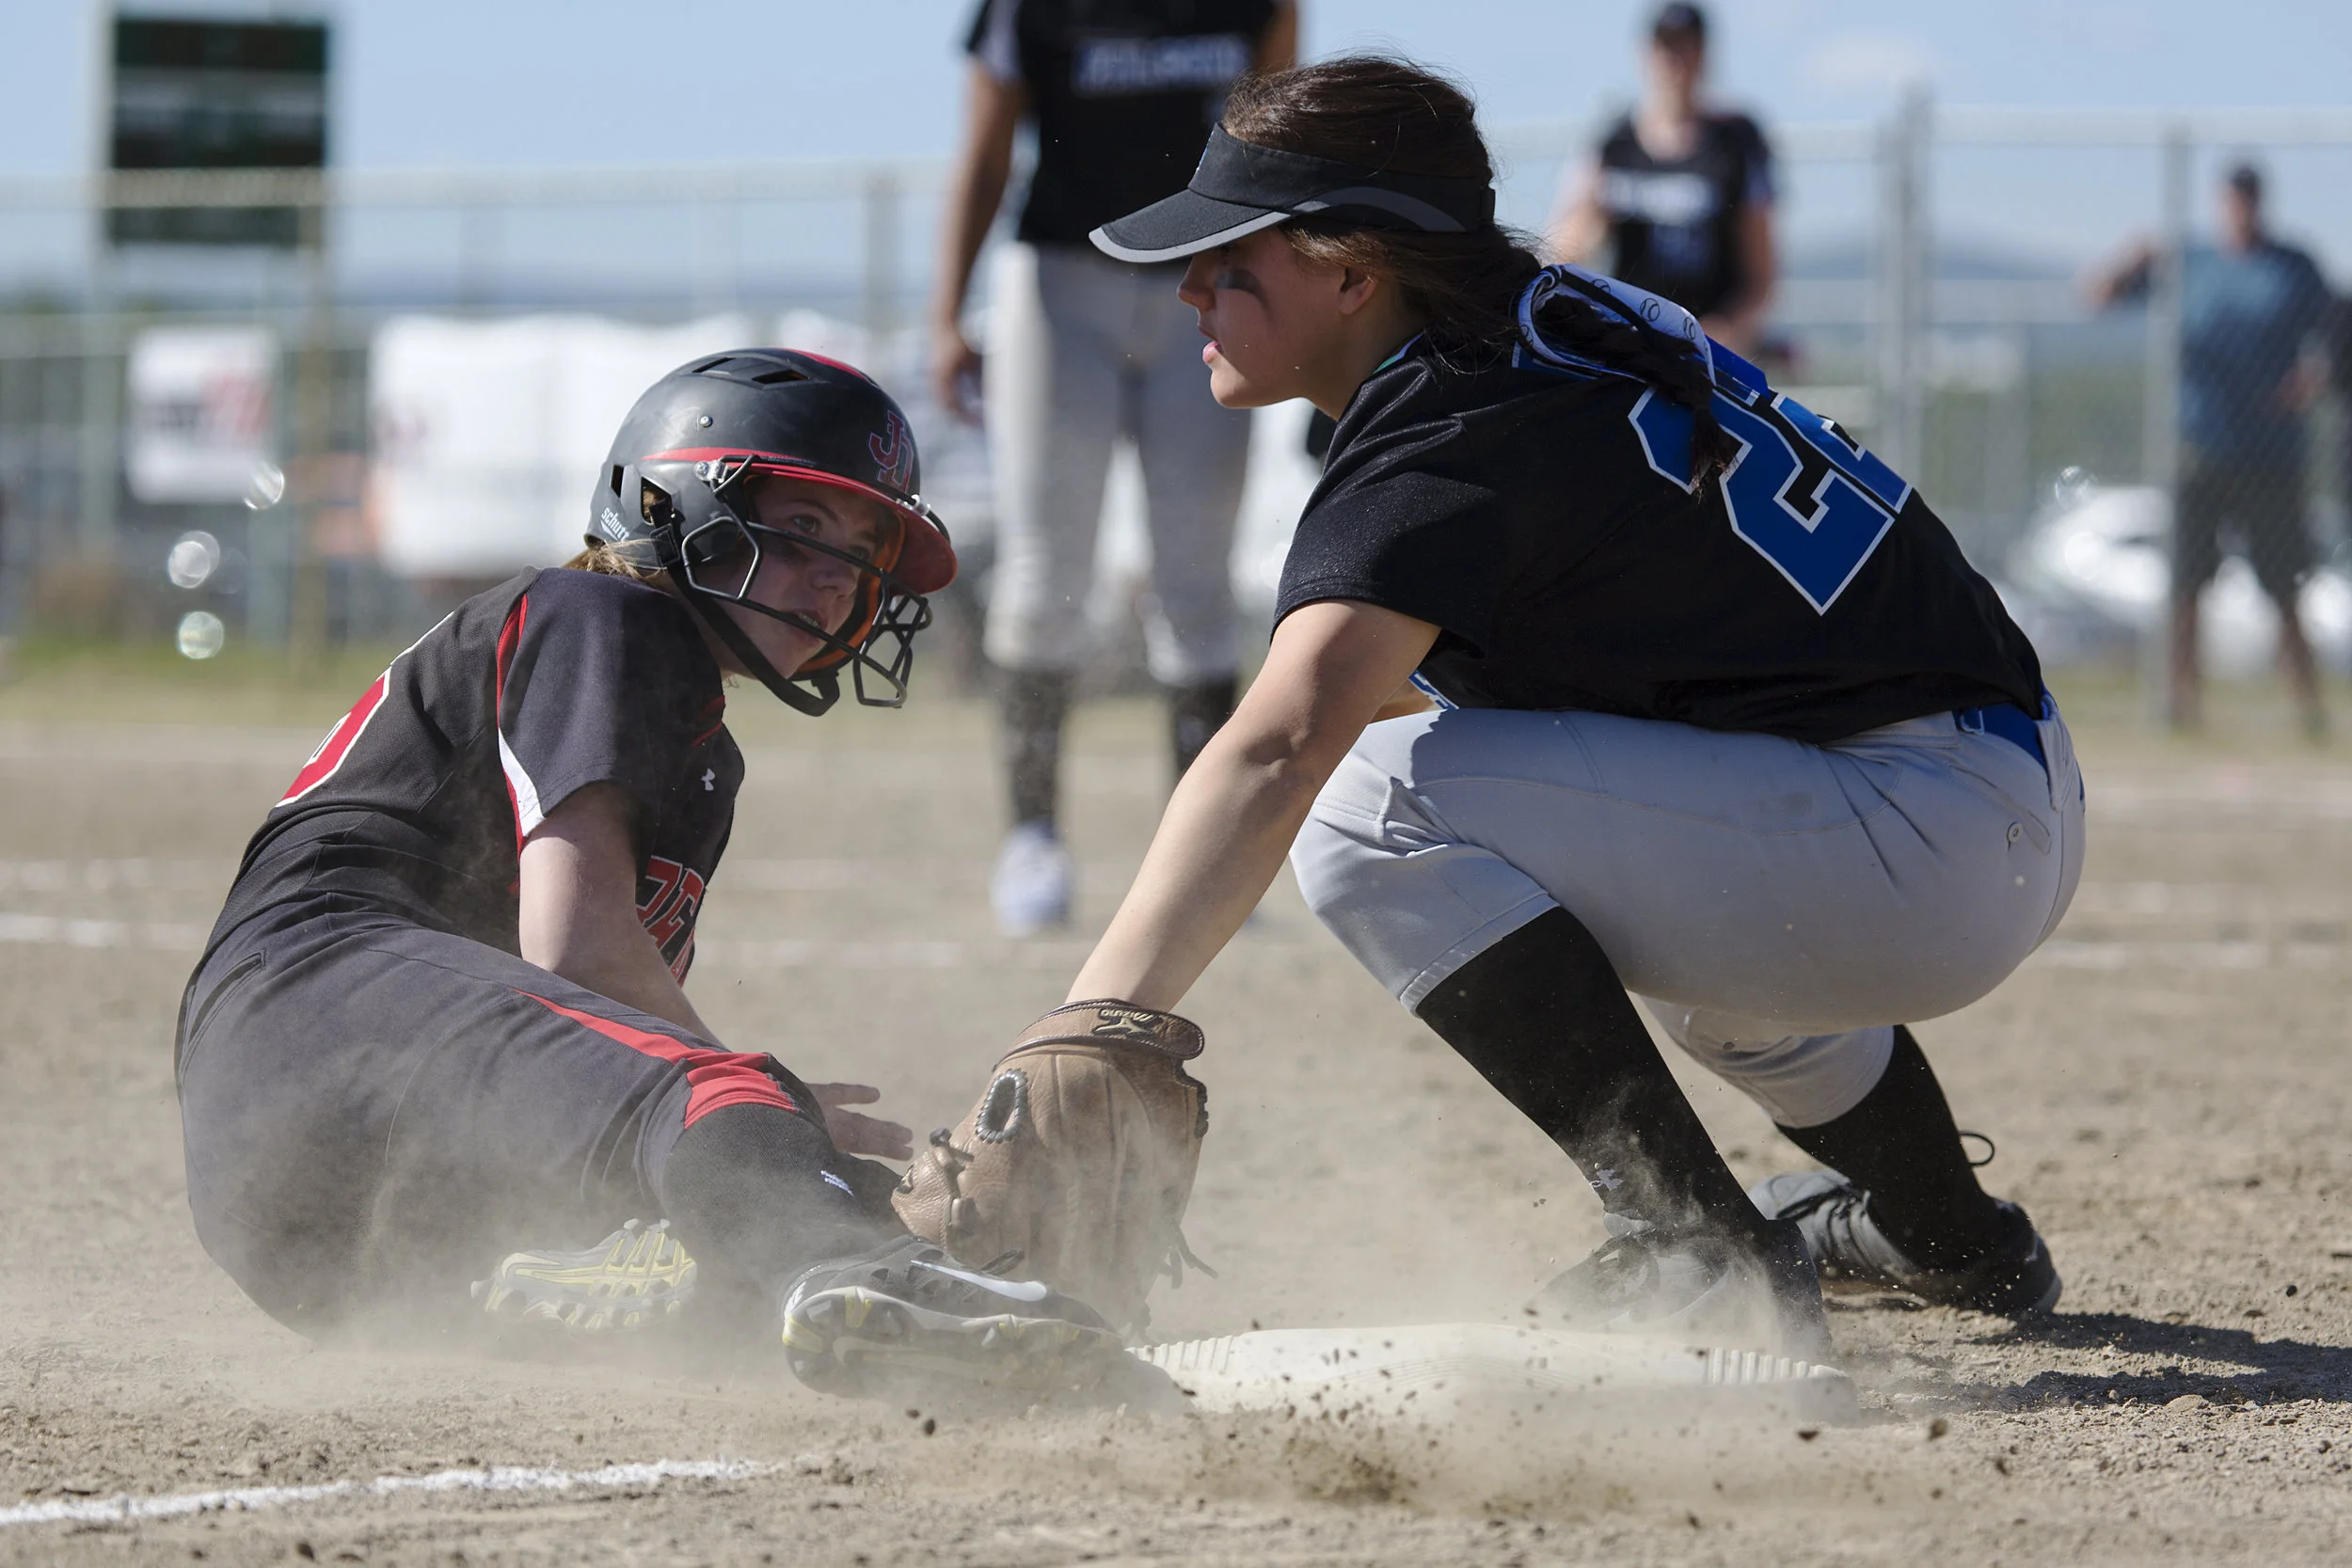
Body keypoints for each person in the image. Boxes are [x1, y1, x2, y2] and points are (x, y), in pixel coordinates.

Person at [1048, 55, 2081, 1353]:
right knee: (1686, 922)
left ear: (1355, 272)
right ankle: (1955, 1234)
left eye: (1233, 258)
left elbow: (1285, 747)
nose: (1191, 287)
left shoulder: (1453, 424)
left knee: (1371, 811)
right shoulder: (1553, 318)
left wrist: (1098, 1019)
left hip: (1912, 825)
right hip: (1979, 781)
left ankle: (1697, 1246)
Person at [173, 350, 1120, 1400]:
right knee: (732, 1113)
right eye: (804, 528)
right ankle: (875, 1277)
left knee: (749, 1238)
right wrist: (762, 1110)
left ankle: (842, 1290)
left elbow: (571, 1023)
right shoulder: (605, 616)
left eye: (860, 552)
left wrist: (800, 1164)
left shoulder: (705, 751)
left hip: (344, 1227)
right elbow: (576, 949)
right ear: (675, 504)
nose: (839, 575)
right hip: (320, 1008)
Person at [931, 0, 1298, 936]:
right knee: (1048, 566)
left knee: (1197, 570)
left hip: (1204, 283)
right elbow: (986, 147)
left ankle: (1207, 849)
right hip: (1062, 282)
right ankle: (1034, 838)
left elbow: (1282, 146)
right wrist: (947, 314)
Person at [2091, 163, 2333, 736]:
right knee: (2186, 584)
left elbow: (2336, 333)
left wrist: (2313, 378)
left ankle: (2307, 706)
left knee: (2284, 584)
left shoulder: (2293, 267)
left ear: (2261, 202)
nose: (2241, 209)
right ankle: (2180, 702)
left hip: (2271, 454)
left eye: (2250, 199)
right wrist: (2131, 259)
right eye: (2233, 199)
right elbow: (2100, 296)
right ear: (2220, 202)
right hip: (2200, 449)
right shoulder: (2193, 262)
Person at [1548, 2, 1775, 360]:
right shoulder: (1613, 144)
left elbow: (1761, 271)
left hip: (1712, 340)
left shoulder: (1735, 144)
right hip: (1633, 337)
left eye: (1687, 45)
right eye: (1666, 46)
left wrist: (1732, 329)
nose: (1675, 59)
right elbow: (1570, 241)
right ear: (1646, 52)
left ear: (1704, 53)